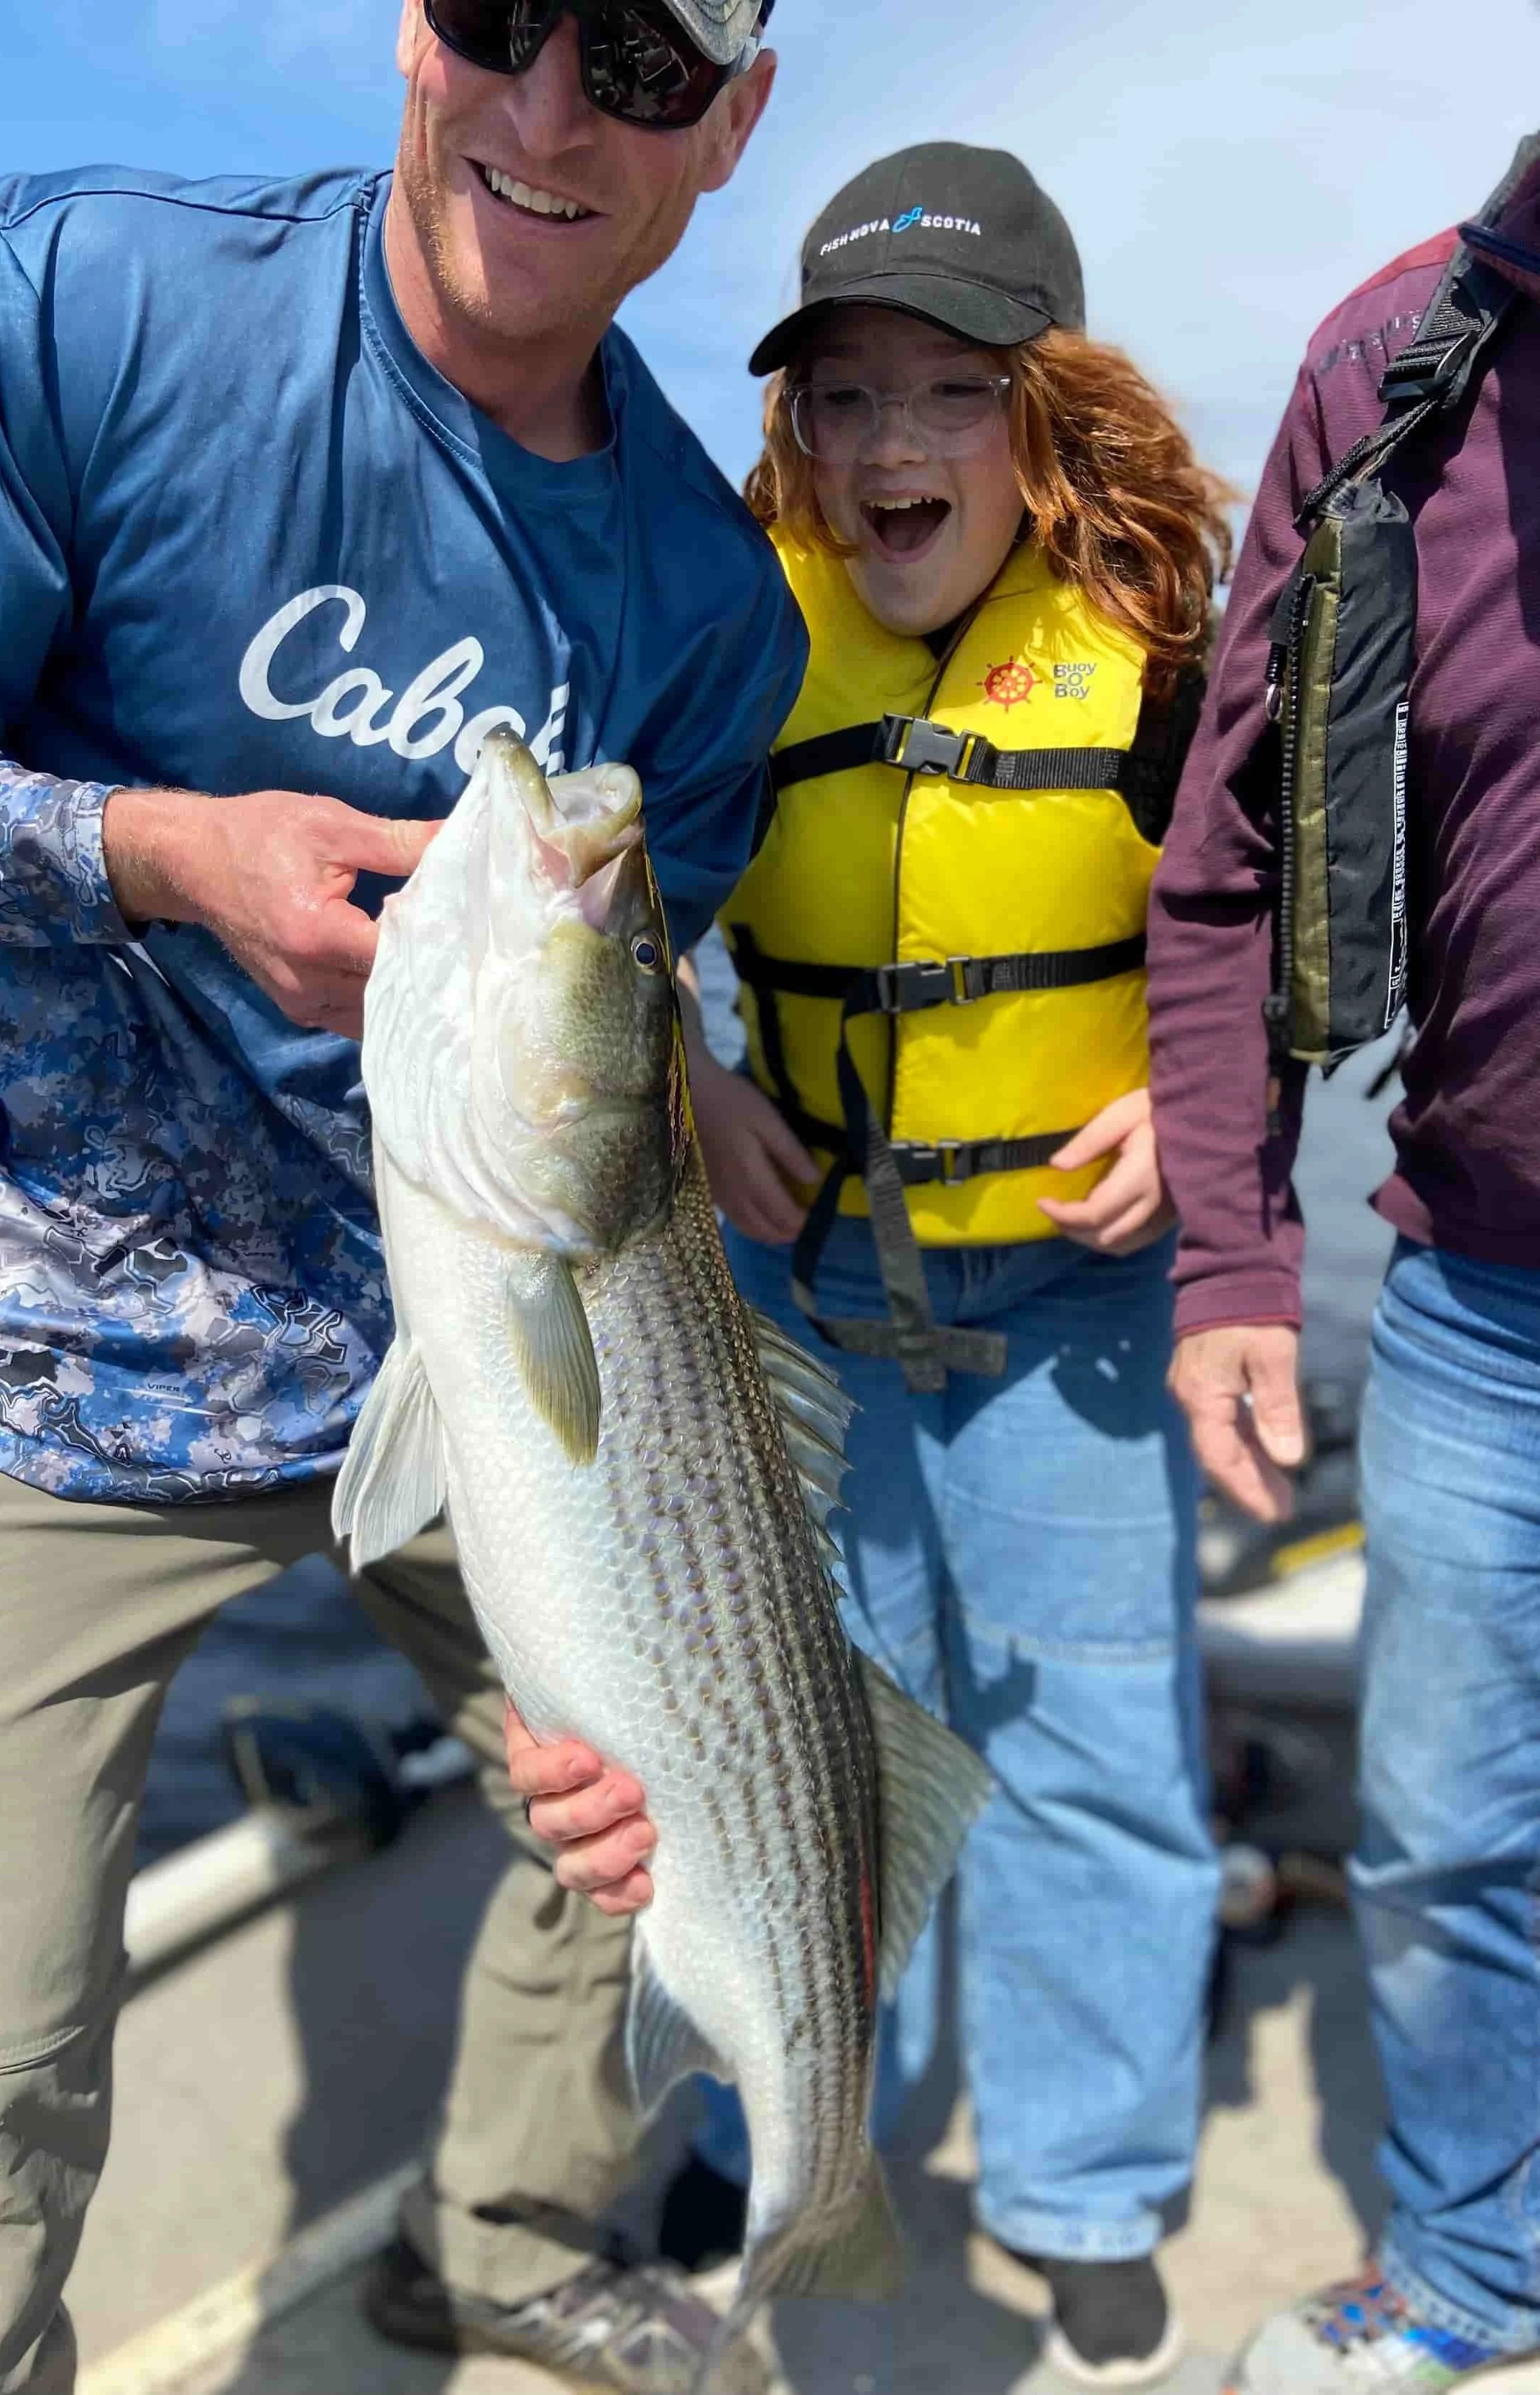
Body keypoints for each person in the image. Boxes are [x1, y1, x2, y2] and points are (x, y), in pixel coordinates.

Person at [0, 5, 806, 2389]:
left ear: (730, 123)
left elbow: (625, 1002)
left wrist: (701, 1077)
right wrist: (146, 851)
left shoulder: (712, 612)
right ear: (418, 27)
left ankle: (513, 2230)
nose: (551, 116)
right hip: (36, 1356)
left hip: (471, 1361)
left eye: (641, 66)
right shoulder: (92, 299)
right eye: (513, 17)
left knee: (680, 1783)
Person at [663, 141, 1229, 2386]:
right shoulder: (719, 627)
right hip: (806, 1320)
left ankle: (1087, 2185)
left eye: (949, 394)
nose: (891, 448)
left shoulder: (1174, 651)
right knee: (795, 1748)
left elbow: (1295, 950)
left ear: (1048, 413)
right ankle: (801, 2124)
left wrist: (1201, 1116)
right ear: (795, 429)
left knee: (1088, 1749)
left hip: (1069, 1320)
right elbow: (588, 913)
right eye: (845, 399)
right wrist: (696, 1077)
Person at [1148, 136, 1540, 2395]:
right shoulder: (1394, 365)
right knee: (1438, 1834)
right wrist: (1228, 1260)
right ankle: (1475, 2266)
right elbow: (1224, 870)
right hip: (1484, 1295)